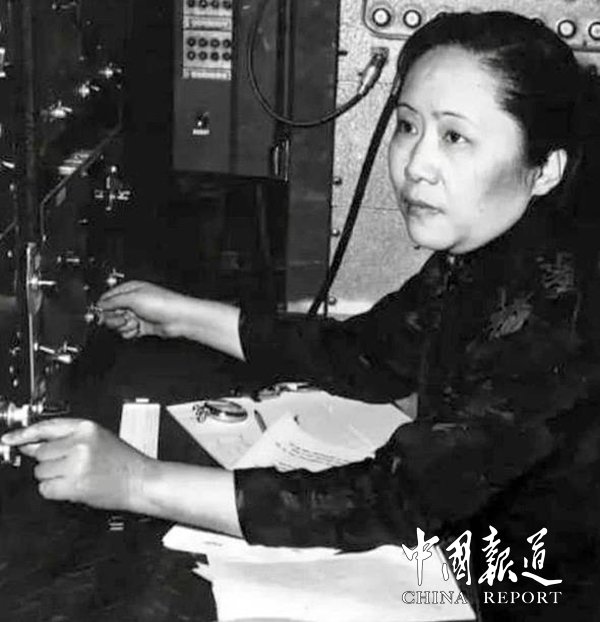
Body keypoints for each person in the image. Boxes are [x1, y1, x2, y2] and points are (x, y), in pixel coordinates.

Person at [3, 10, 600, 619]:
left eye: (454, 137)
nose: (415, 164)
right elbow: (367, 353)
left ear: (545, 168)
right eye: (406, 125)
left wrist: (136, 481)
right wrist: (182, 317)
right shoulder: (491, 254)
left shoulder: (563, 312)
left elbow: (398, 498)